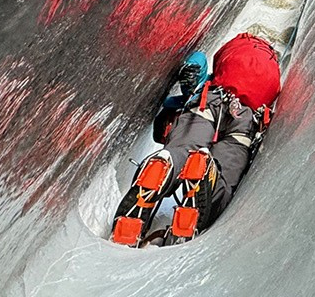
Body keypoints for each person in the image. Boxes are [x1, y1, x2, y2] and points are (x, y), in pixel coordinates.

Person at [110, 32, 281, 247]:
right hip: (245, 122)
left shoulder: (217, 74)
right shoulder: (271, 78)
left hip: (208, 102)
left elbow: (196, 64)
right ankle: (208, 173)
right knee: (223, 184)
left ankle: (168, 162)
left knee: (183, 149)